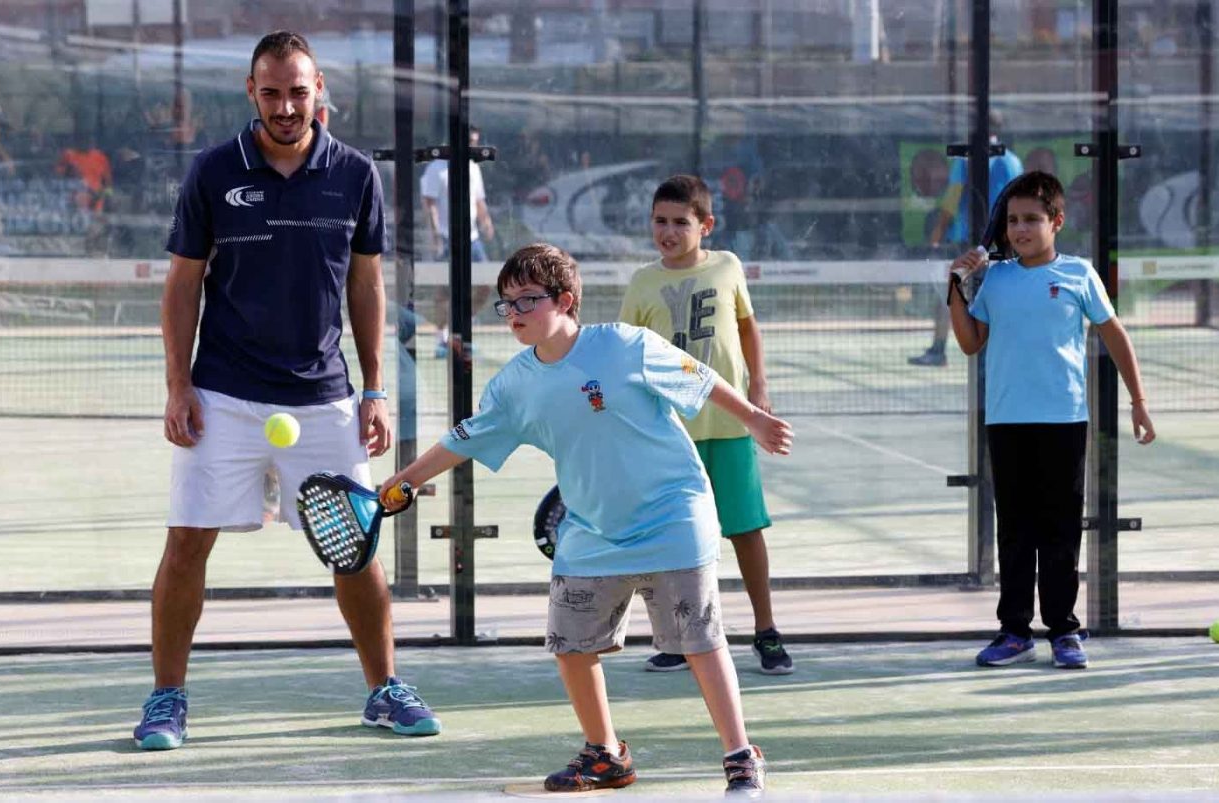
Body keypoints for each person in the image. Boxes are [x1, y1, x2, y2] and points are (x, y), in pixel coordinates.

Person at [378, 243, 792, 795]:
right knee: (571, 646)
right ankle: (606, 755)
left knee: (699, 641)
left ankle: (741, 755)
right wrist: (404, 480)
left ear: (566, 300)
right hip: (592, 533)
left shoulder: (624, 345)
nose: (514, 314)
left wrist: (756, 420)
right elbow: (462, 439)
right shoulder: (513, 386)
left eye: (526, 300)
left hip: (674, 516)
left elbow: (700, 380)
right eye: (505, 304)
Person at [134, 30, 440, 751]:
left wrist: (374, 388)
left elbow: (366, 284)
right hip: (225, 393)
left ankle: (384, 688)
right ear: (251, 92)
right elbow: (183, 285)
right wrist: (178, 385)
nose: (285, 106)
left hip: (325, 397)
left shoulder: (356, 174)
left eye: (298, 91)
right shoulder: (214, 173)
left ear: (319, 89)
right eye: (271, 92)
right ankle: (166, 698)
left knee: (355, 548)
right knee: (186, 546)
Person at [946, 171, 1157, 670]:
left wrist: (1139, 399)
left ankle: (1064, 630)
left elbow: (1114, 334)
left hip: (1064, 421)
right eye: (1014, 221)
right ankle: (1014, 632)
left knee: (1060, 529)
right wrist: (955, 284)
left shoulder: (1080, 275)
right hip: (1007, 423)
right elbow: (970, 342)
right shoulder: (993, 279)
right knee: (1015, 530)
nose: (1020, 229)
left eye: (1032, 220)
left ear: (1056, 222)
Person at [618, 174, 793, 676]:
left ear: (706, 225)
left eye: (680, 222)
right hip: (670, 434)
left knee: (744, 529)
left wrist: (758, 388)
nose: (668, 232)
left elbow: (746, 327)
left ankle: (766, 631)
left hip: (730, 426)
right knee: (673, 536)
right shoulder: (642, 283)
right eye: (660, 221)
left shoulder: (728, 267)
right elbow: (631, 355)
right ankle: (680, 634)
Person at [910, 112, 1023, 367]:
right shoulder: (1013, 161)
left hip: (969, 242)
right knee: (997, 295)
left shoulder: (966, 160)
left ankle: (938, 350)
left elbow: (952, 200)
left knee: (952, 293)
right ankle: (996, 352)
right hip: (1003, 242)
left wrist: (937, 234)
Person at [420, 125, 495, 358]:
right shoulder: (436, 168)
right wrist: (435, 236)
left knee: (486, 283)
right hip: (446, 238)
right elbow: (429, 203)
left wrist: (487, 223)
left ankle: (463, 329)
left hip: (472, 240)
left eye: (476, 140)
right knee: (444, 291)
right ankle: (441, 340)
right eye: (470, 140)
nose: (474, 145)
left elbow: (479, 200)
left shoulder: (473, 167)